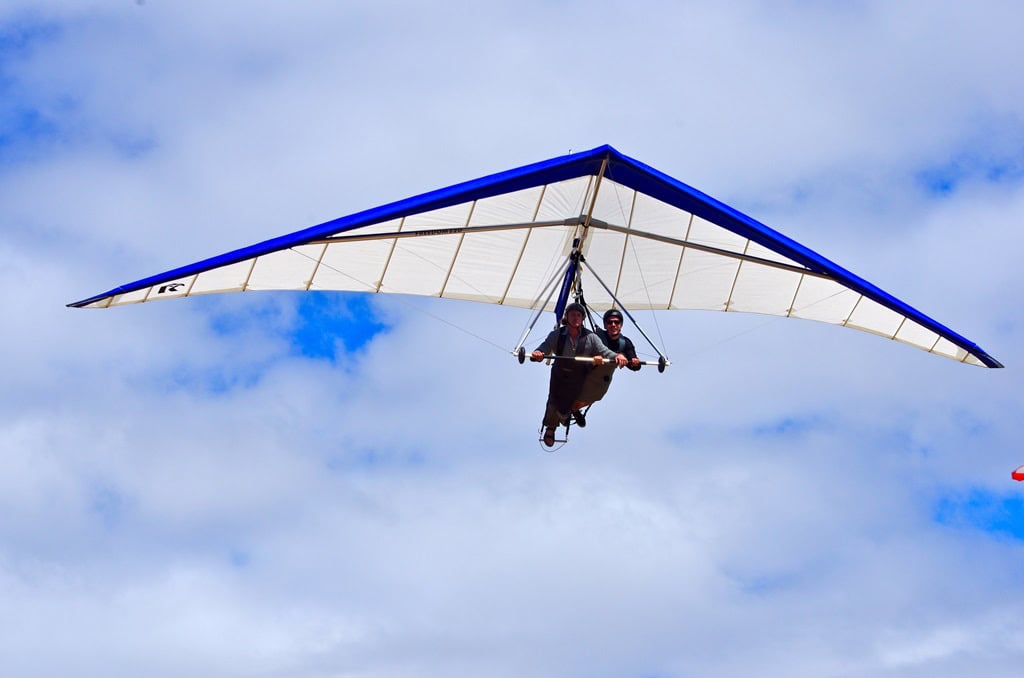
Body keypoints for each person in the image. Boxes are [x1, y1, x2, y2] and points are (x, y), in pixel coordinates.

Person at [531, 302, 626, 447]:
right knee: (554, 399)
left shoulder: (591, 337)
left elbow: (604, 351)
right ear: (567, 317)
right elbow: (545, 347)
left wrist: (617, 356)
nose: (575, 318)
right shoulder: (558, 334)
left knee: (571, 398)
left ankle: (567, 414)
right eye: (572, 315)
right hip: (560, 373)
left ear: (582, 318)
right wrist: (539, 353)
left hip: (578, 374)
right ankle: (551, 427)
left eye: (578, 315)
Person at [570, 308, 642, 428]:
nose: (613, 325)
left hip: (604, 379)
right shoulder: (597, 337)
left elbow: (633, 365)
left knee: (595, 397)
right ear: (605, 325)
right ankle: (570, 410)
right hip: (588, 372)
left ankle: (574, 410)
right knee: (580, 396)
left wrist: (635, 362)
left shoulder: (625, 343)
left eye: (616, 322)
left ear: (621, 325)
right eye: (610, 322)